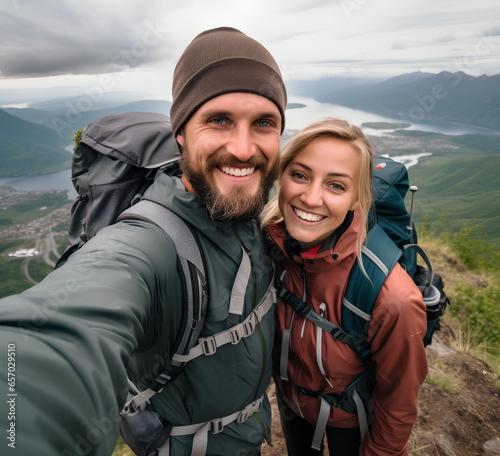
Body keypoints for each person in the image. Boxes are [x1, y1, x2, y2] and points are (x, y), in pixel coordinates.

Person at [0, 27, 287, 456]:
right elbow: (54, 336)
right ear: (180, 133)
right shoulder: (147, 243)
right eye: (219, 120)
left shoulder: (251, 213)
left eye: (264, 123)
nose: (244, 149)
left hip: (249, 435)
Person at [261, 119, 428, 456]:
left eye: (336, 186)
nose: (310, 197)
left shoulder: (393, 299)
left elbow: (398, 403)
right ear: (281, 177)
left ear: (357, 199)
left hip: (353, 420)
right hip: (292, 404)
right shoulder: (269, 245)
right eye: (300, 175)